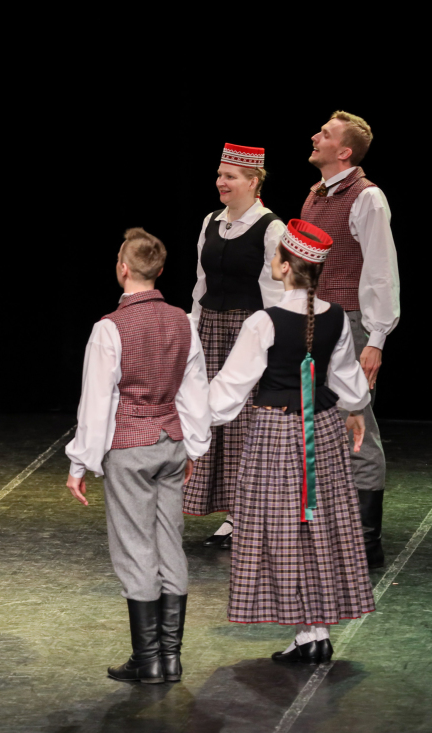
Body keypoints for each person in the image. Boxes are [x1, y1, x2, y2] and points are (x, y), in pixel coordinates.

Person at [209, 219, 375, 663]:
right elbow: (348, 379)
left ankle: (310, 631)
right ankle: (314, 631)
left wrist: (193, 419)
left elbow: (230, 388)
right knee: (316, 524)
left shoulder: (264, 322)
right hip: (321, 428)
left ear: (284, 266)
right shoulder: (336, 317)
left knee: (284, 528)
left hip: (276, 433)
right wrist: (356, 409)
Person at [65, 228, 210, 684]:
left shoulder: (110, 328)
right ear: (159, 270)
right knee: (169, 543)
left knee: (136, 549)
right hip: (171, 442)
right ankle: (170, 659)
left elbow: (96, 402)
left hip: (130, 447)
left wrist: (80, 462)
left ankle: (148, 660)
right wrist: (194, 445)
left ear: (123, 268)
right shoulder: (183, 321)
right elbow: (195, 390)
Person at [301, 111, 400, 569]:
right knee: (318, 426)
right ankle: (329, 529)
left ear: (344, 152)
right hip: (314, 321)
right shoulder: (315, 195)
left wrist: (376, 338)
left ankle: (365, 541)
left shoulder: (367, 198)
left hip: (351, 323)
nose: (315, 137)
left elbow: (381, 271)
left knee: (356, 424)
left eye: (325, 134)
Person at [184, 143, 286, 549]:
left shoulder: (270, 227)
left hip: (248, 334)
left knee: (245, 424)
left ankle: (245, 516)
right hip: (210, 331)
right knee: (212, 418)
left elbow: (275, 293)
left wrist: (273, 347)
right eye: (219, 175)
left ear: (253, 181)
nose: (220, 182)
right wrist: (192, 332)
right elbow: (201, 283)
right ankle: (230, 512)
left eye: (229, 176)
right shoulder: (211, 221)